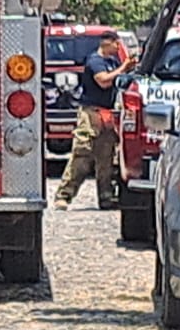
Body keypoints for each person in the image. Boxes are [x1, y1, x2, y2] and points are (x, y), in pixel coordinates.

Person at [53, 30, 138, 210]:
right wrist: (123, 67)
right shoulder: (95, 61)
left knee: (106, 157)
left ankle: (106, 197)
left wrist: (129, 69)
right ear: (107, 43)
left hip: (107, 113)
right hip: (90, 114)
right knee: (82, 154)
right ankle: (64, 196)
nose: (118, 47)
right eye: (116, 43)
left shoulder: (112, 62)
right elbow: (103, 81)